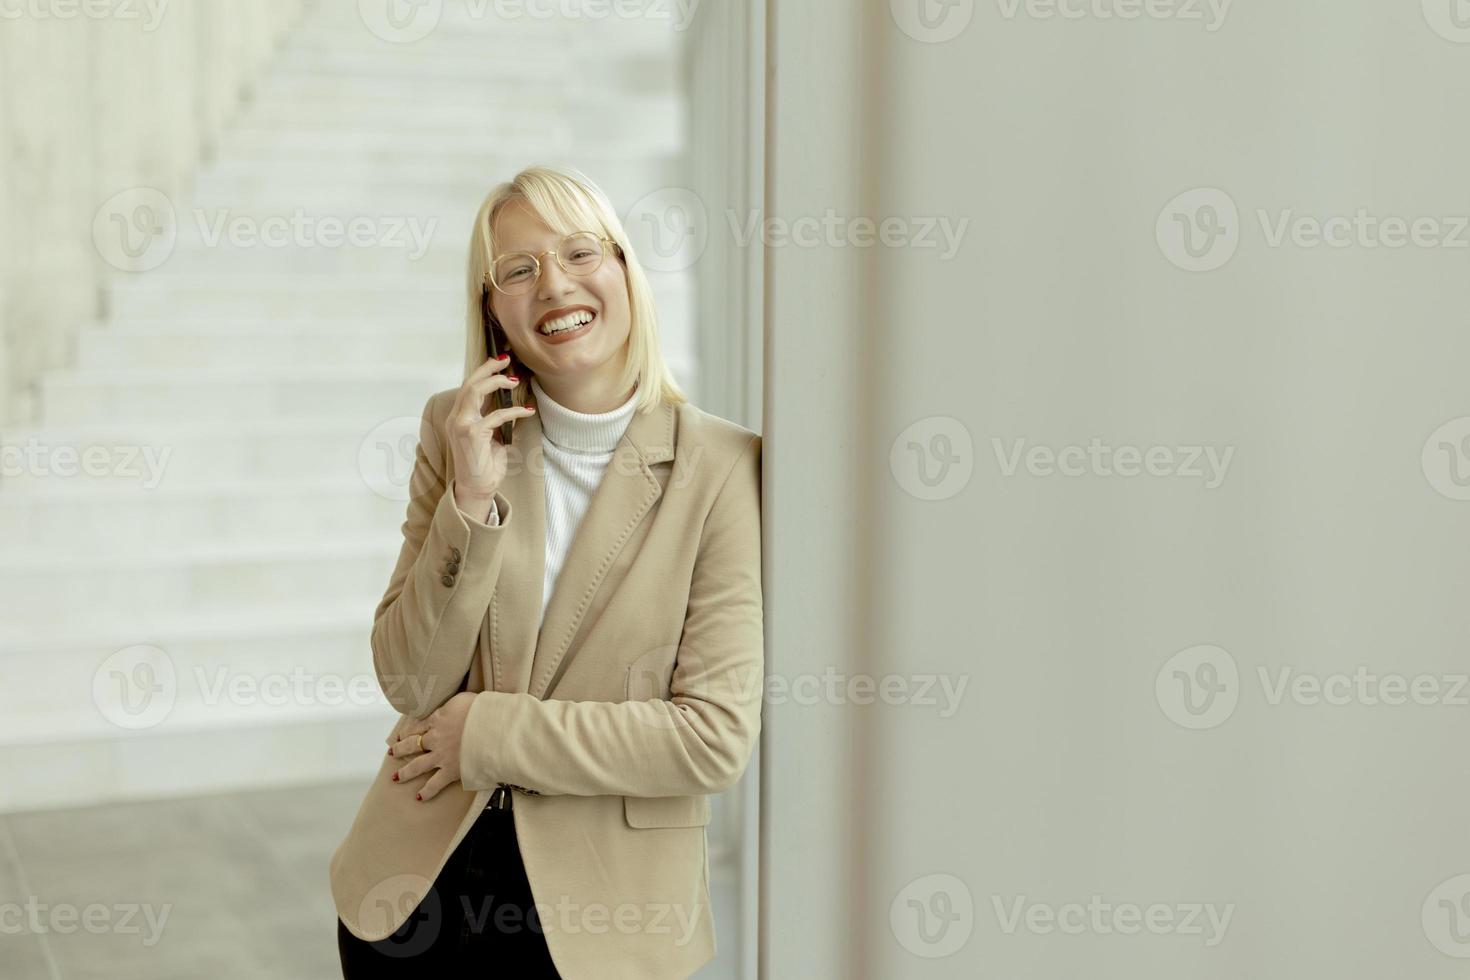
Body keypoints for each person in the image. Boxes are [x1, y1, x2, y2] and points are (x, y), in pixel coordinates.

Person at [329, 165, 765, 979]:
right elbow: (409, 678)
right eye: (518, 271)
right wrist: (471, 498)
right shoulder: (452, 431)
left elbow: (711, 739)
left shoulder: (724, 467)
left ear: (626, 270)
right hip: (414, 887)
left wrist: (488, 734)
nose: (554, 285)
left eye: (580, 252)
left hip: (604, 920)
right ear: (492, 312)